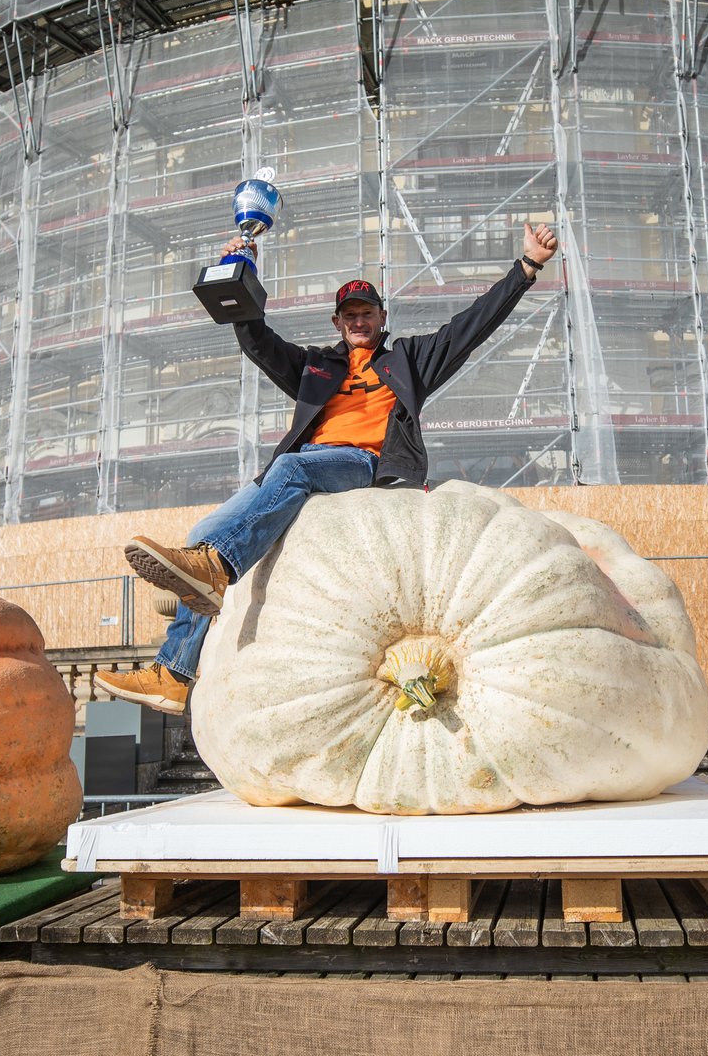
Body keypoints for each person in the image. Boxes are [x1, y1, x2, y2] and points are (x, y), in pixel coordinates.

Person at [95, 222, 561, 714]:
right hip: (305, 465)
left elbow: (472, 326)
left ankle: (217, 567)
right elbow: (259, 342)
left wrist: (526, 267)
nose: (358, 320)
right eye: (349, 315)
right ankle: (174, 671)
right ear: (337, 323)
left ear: (382, 317)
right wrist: (236, 270)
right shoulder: (317, 366)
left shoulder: (409, 358)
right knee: (204, 530)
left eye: (366, 312)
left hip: (365, 463)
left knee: (289, 470)